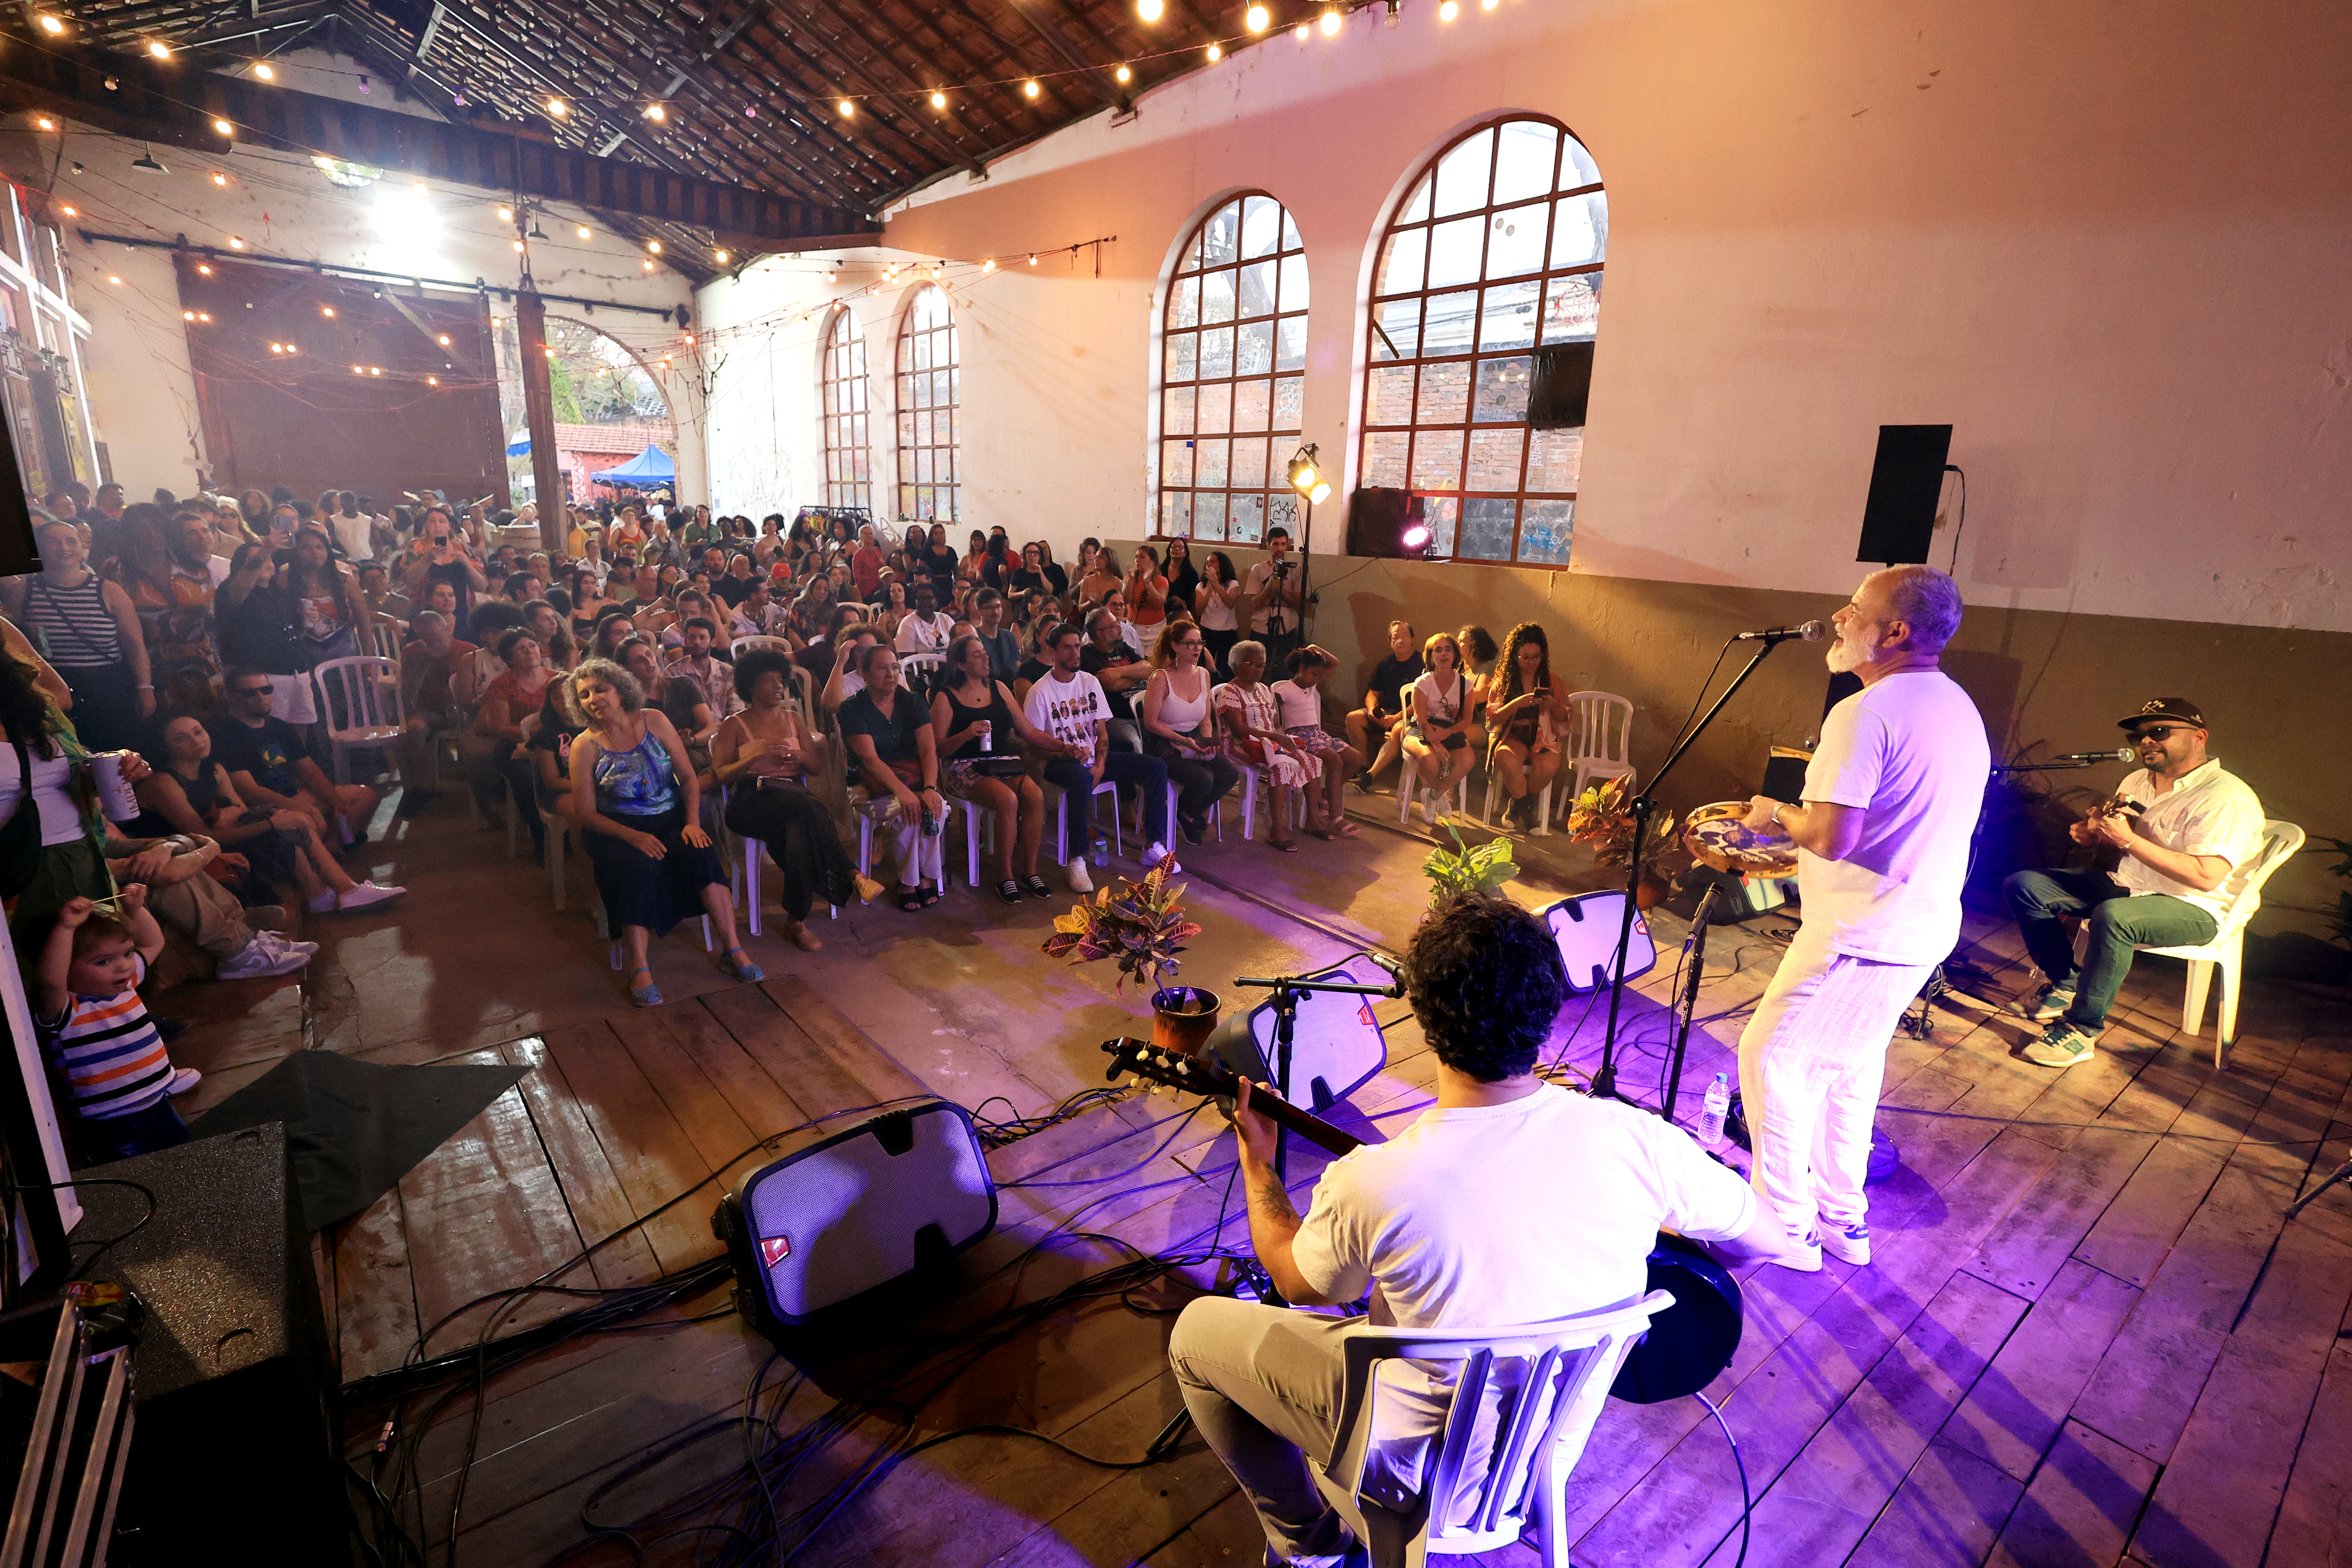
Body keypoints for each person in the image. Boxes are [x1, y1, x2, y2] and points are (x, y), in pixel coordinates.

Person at [1168, 892, 1789, 1568]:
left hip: (1399, 1473)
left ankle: (1309, 1547)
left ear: (1424, 1021)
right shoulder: (1637, 1139)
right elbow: (1768, 1239)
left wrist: (1259, 1163)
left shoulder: (1376, 1179)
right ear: (1550, 1009)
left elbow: (1295, 1280)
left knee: (1195, 1335)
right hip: (1542, 1450)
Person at [1734, 565, 1988, 1268]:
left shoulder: (1864, 712)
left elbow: (1832, 835)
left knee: (1773, 1057)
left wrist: (1773, 813)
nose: (1841, 619)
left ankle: (1786, 1228)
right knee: (1848, 1068)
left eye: (1855, 610)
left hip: (1861, 933)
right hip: (1922, 925)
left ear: (1896, 631)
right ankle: (1844, 1222)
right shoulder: (1956, 705)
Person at [2002, 698, 2265, 1069]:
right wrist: (2096, 833)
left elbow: (2207, 876)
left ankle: (2080, 1030)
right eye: (2138, 735)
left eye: (2160, 732)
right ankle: (2065, 983)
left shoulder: (2225, 798)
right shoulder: (2137, 781)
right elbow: (2126, 840)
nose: (2146, 742)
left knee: (2116, 916)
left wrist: (2128, 841)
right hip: (2129, 885)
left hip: (2197, 906)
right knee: (2025, 884)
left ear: (2199, 738)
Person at [565, 659, 755, 1006]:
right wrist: (632, 836)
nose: (593, 699)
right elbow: (586, 813)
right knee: (639, 867)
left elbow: (688, 779)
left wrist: (693, 822)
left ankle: (733, 950)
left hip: (670, 818)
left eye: (600, 689)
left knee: (702, 853)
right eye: (585, 695)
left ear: (621, 690)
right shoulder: (585, 745)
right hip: (616, 830)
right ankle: (639, 968)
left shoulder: (655, 720)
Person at [136, 711, 403, 914]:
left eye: (198, 732)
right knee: (288, 822)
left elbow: (239, 808)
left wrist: (236, 815)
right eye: (181, 738)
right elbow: (202, 835)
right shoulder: (164, 783)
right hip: (186, 853)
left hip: (223, 838)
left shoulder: (214, 769)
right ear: (165, 747)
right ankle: (344, 890)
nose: (196, 741)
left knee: (289, 822)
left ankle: (324, 893)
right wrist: (272, 824)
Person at [715, 649, 880, 949]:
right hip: (752, 798)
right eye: (770, 681)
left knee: (798, 841)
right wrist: (754, 757)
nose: (779, 687)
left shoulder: (793, 720)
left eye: (781, 680)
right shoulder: (734, 725)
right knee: (811, 808)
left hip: (792, 795)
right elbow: (721, 775)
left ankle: (797, 920)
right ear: (751, 685)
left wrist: (802, 755)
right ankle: (850, 872)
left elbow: (815, 768)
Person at [28, 889, 204, 1162]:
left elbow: (155, 943)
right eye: (104, 961)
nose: (124, 967)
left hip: (158, 1104)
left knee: (178, 1163)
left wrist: (136, 908)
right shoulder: (64, 1010)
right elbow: (49, 982)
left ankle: (165, 1079)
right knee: (130, 1182)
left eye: (127, 954)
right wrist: (66, 928)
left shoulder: (126, 987)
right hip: (111, 1125)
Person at [1024, 621, 1174, 894]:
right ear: (1053, 652)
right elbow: (1032, 748)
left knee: (1156, 767)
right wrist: (1063, 752)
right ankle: (1077, 857)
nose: (1075, 653)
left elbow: (1102, 732)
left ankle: (1153, 845)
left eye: (1077, 646)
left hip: (1094, 759)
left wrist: (1101, 764)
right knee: (1080, 777)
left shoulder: (1090, 682)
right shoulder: (1040, 692)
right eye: (1067, 648)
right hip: (1058, 764)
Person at [1, 519, 152, 750]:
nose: (65, 548)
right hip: (52, 689)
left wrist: (145, 688)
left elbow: (135, 645)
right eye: (54, 542)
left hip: (106, 688)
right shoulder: (22, 591)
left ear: (82, 547)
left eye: (71, 541)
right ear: (39, 548)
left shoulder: (109, 591)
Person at [931, 634, 1054, 903]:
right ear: (961, 665)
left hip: (999, 762)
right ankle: (1005, 875)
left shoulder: (999, 688)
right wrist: (966, 734)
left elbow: (1028, 731)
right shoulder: (946, 697)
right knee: (1007, 800)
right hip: (961, 765)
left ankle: (1030, 871)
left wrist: (1062, 747)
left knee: (1035, 796)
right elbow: (938, 749)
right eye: (977, 655)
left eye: (985, 653)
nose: (985, 658)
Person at [211, 666, 379, 849]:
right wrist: (296, 806)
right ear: (232, 696)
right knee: (309, 820)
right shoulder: (224, 735)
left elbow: (309, 769)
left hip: (295, 795)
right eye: (250, 693)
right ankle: (332, 849)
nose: (261, 697)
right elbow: (250, 791)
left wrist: (335, 800)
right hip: (263, 808)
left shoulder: (279, 727)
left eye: (266, 690)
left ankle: (332, 848)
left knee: (364, 796)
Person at [839, 644, 949, 910]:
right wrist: (904, 793)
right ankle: (913, 881)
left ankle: (919, 877)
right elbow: (870, 760)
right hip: (869, 784)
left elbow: (928, 749)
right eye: (881, 668)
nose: (890, 674)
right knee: (908, 813)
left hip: (914, 778)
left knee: (938, 810)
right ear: (863, 673)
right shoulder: (853, 709)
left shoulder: (913, 702)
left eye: (894, 667)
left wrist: (931, 788)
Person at [1142, 621, 1240, 848]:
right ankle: (1185, 812)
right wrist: (1182, 740)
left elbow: (1206, 720)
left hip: (1193, 737)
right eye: (1191, 644)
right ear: (1175, 646)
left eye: (1200, 643)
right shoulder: (1160, 678)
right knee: (1203, 780)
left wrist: (1205, 742)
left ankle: (1187, 812)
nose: (1197, 649)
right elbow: (1151, 723)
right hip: (1164, 743)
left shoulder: (1204, 674)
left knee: (1229, 774)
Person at [1214, 639, 1314, 855]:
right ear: (1239, 666)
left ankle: (1313, 819)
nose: (1261, 670)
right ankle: (1276, 831)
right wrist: (1275, 738)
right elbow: (1240, 731)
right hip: (1240, 746)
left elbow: (1275, 722)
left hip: (1269, 741)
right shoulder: (1230, 693)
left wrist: (1282, 738)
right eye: (1255, 665)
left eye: (1262, 665)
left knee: (1307, 759)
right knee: (1282, 766)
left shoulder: (1265, 690)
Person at [474, 630, 558, 853]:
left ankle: (567, 830)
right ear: (510, 659)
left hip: (556, 744)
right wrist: (537, 735)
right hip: (513, 747)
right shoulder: (501, 686)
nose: (530, 652)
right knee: (526, 775)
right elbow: (502, 729)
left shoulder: (557, 680)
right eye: (521, 649)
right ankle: (539, 833)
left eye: (532, 645)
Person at [1271, 646, 1364, 840]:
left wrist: (1316, 649)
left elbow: (1334, 663)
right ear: (1302, 668)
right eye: (1314, 674)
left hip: (1317, 734)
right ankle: (1336, 817)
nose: (1317, 680)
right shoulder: (1285, 689)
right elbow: (1272, 706)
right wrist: (1278, 729)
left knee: (1356, 759)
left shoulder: (1312, 685)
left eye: (1320, 676)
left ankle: (1325, 795)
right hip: (1299, 736)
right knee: (1335, 760)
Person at [1482, 622, 1566, 830]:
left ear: (1543, 655)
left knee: (1549, 766)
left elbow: (1565, 716)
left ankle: (1519, 805)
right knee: (1507, 759)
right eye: (1526, 657)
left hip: (1542, 735)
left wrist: (1553, 705)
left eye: (1536, 657)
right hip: (1512, 735)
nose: (1532, 662)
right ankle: (1528, 812)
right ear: (1515, 656)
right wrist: (1517, 703)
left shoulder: (1550, 681)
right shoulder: (1504, 682)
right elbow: (1493, 719)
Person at [1400, 631, 1474, 822]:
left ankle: (1433, 795)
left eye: (1448, 650)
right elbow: (1421, 719)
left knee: (1468, 759)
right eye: (1438, 650)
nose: (1443, 655)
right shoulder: (1423, 683)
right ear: (1430, 656)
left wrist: (1448, 733)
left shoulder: (1465, 684)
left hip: (1449, 730)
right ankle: (1439, 796)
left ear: (1455, 654)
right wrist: (1438, 744)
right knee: (1429, 759)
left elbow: (1466, 720)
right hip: (1421, 730)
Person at [1345, 619, 1423, 791]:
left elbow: (1421, 702)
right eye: (1396, 637)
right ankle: (1362, 765)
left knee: (1398, 730)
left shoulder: (1422, 665)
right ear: (1391, 642)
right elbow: (1373, 692)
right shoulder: (1386, 664)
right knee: (1353, 719)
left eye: (1405, 636)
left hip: (1407, 716)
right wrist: (1373, 711)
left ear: (1412, 640)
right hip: (1385, 713)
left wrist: (1397, 718)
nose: (1401, 641)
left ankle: (1370, 777)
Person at [1080, 606, 1151, 750]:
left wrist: (1118, 673)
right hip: (1118, 719)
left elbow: (1148, 668)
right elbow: (1110, 684)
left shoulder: (1123, 647)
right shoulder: (1087, 655)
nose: (1120, 627)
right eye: (1114, 625)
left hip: (1145, 712)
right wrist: (1136, 675)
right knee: (1135, 745)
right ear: (1100, 634)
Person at [1243, 528, 1305, 673]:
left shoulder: (1296, 570)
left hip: (1287, 629)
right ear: (1268, 545)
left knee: (1285, 671)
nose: (1280, 548)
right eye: (1276, 544)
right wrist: (1269, 588)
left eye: (1283, 544)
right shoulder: (1258, 570)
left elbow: (1297, 604)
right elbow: (1255, 604)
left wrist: (1280, 592)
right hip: (1262, 629)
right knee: (1257, 670)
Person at [664, 618, 737, 718]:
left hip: (724, 728)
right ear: (685, 641)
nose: (697, 642)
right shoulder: (673, 673)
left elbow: (736, 710)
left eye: (703, 638)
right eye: (692, 638)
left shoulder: (727, 672)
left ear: (713, 642)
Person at [1193, 550, 1243, 673]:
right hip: (1207, 631)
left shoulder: (1233, 584)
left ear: (1222, 565)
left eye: (1213, 562)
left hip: (1227, 633)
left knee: (1226, 669)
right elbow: (1199, 610)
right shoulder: (1201, 586)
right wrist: (1210, 590)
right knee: (1203, 667)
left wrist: (1216, 585)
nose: (1209, 564)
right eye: (1207, 562)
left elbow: (1230, 604)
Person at [970, 588, 1022, 689]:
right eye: (989, 608)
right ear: (979, 612)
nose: (995, 612)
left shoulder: (1009, 636)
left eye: (998, 606)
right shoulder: (975, 638)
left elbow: (1018, 666)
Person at [894, 580, 955, 655]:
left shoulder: (946, 619)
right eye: (920, 598)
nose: (925, 602)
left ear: (936, 601)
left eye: (929, 598)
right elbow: (906, 657)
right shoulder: (908, 623)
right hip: (923, 666)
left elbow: (957, 646)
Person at [1125, 544, 1169, 630]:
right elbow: (1125, 600)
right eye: (1136, 557)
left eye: (1142, 557)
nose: (1137, 560)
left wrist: (1148, 582)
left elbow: (1159, 604)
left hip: (1156, 628)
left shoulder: (1162, 580)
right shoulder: (1130, 578)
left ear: (1153, 561)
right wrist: (1130, 580)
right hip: (1133, 627)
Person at [1162, 536, 1201, 619]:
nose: (1177, 549)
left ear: (1185, 553)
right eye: (1174, 547)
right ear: (1169, 551)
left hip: (1182, 614)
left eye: (1181, 547)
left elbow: (1195, 598)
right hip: (1162, 613)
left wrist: (1183, 602)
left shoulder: (1191, 574)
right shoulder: (1161, 570)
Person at [1076, 546, 1122, 611]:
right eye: (1096, 557)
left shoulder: (1117, 582)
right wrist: (1090, 603)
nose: (1096, 560)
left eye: (1101, 557)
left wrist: (1104, 604)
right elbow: (1080, 608)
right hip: (1091, 619)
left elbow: (1119, 607)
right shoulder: (1088, 580)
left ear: (1109, 560)